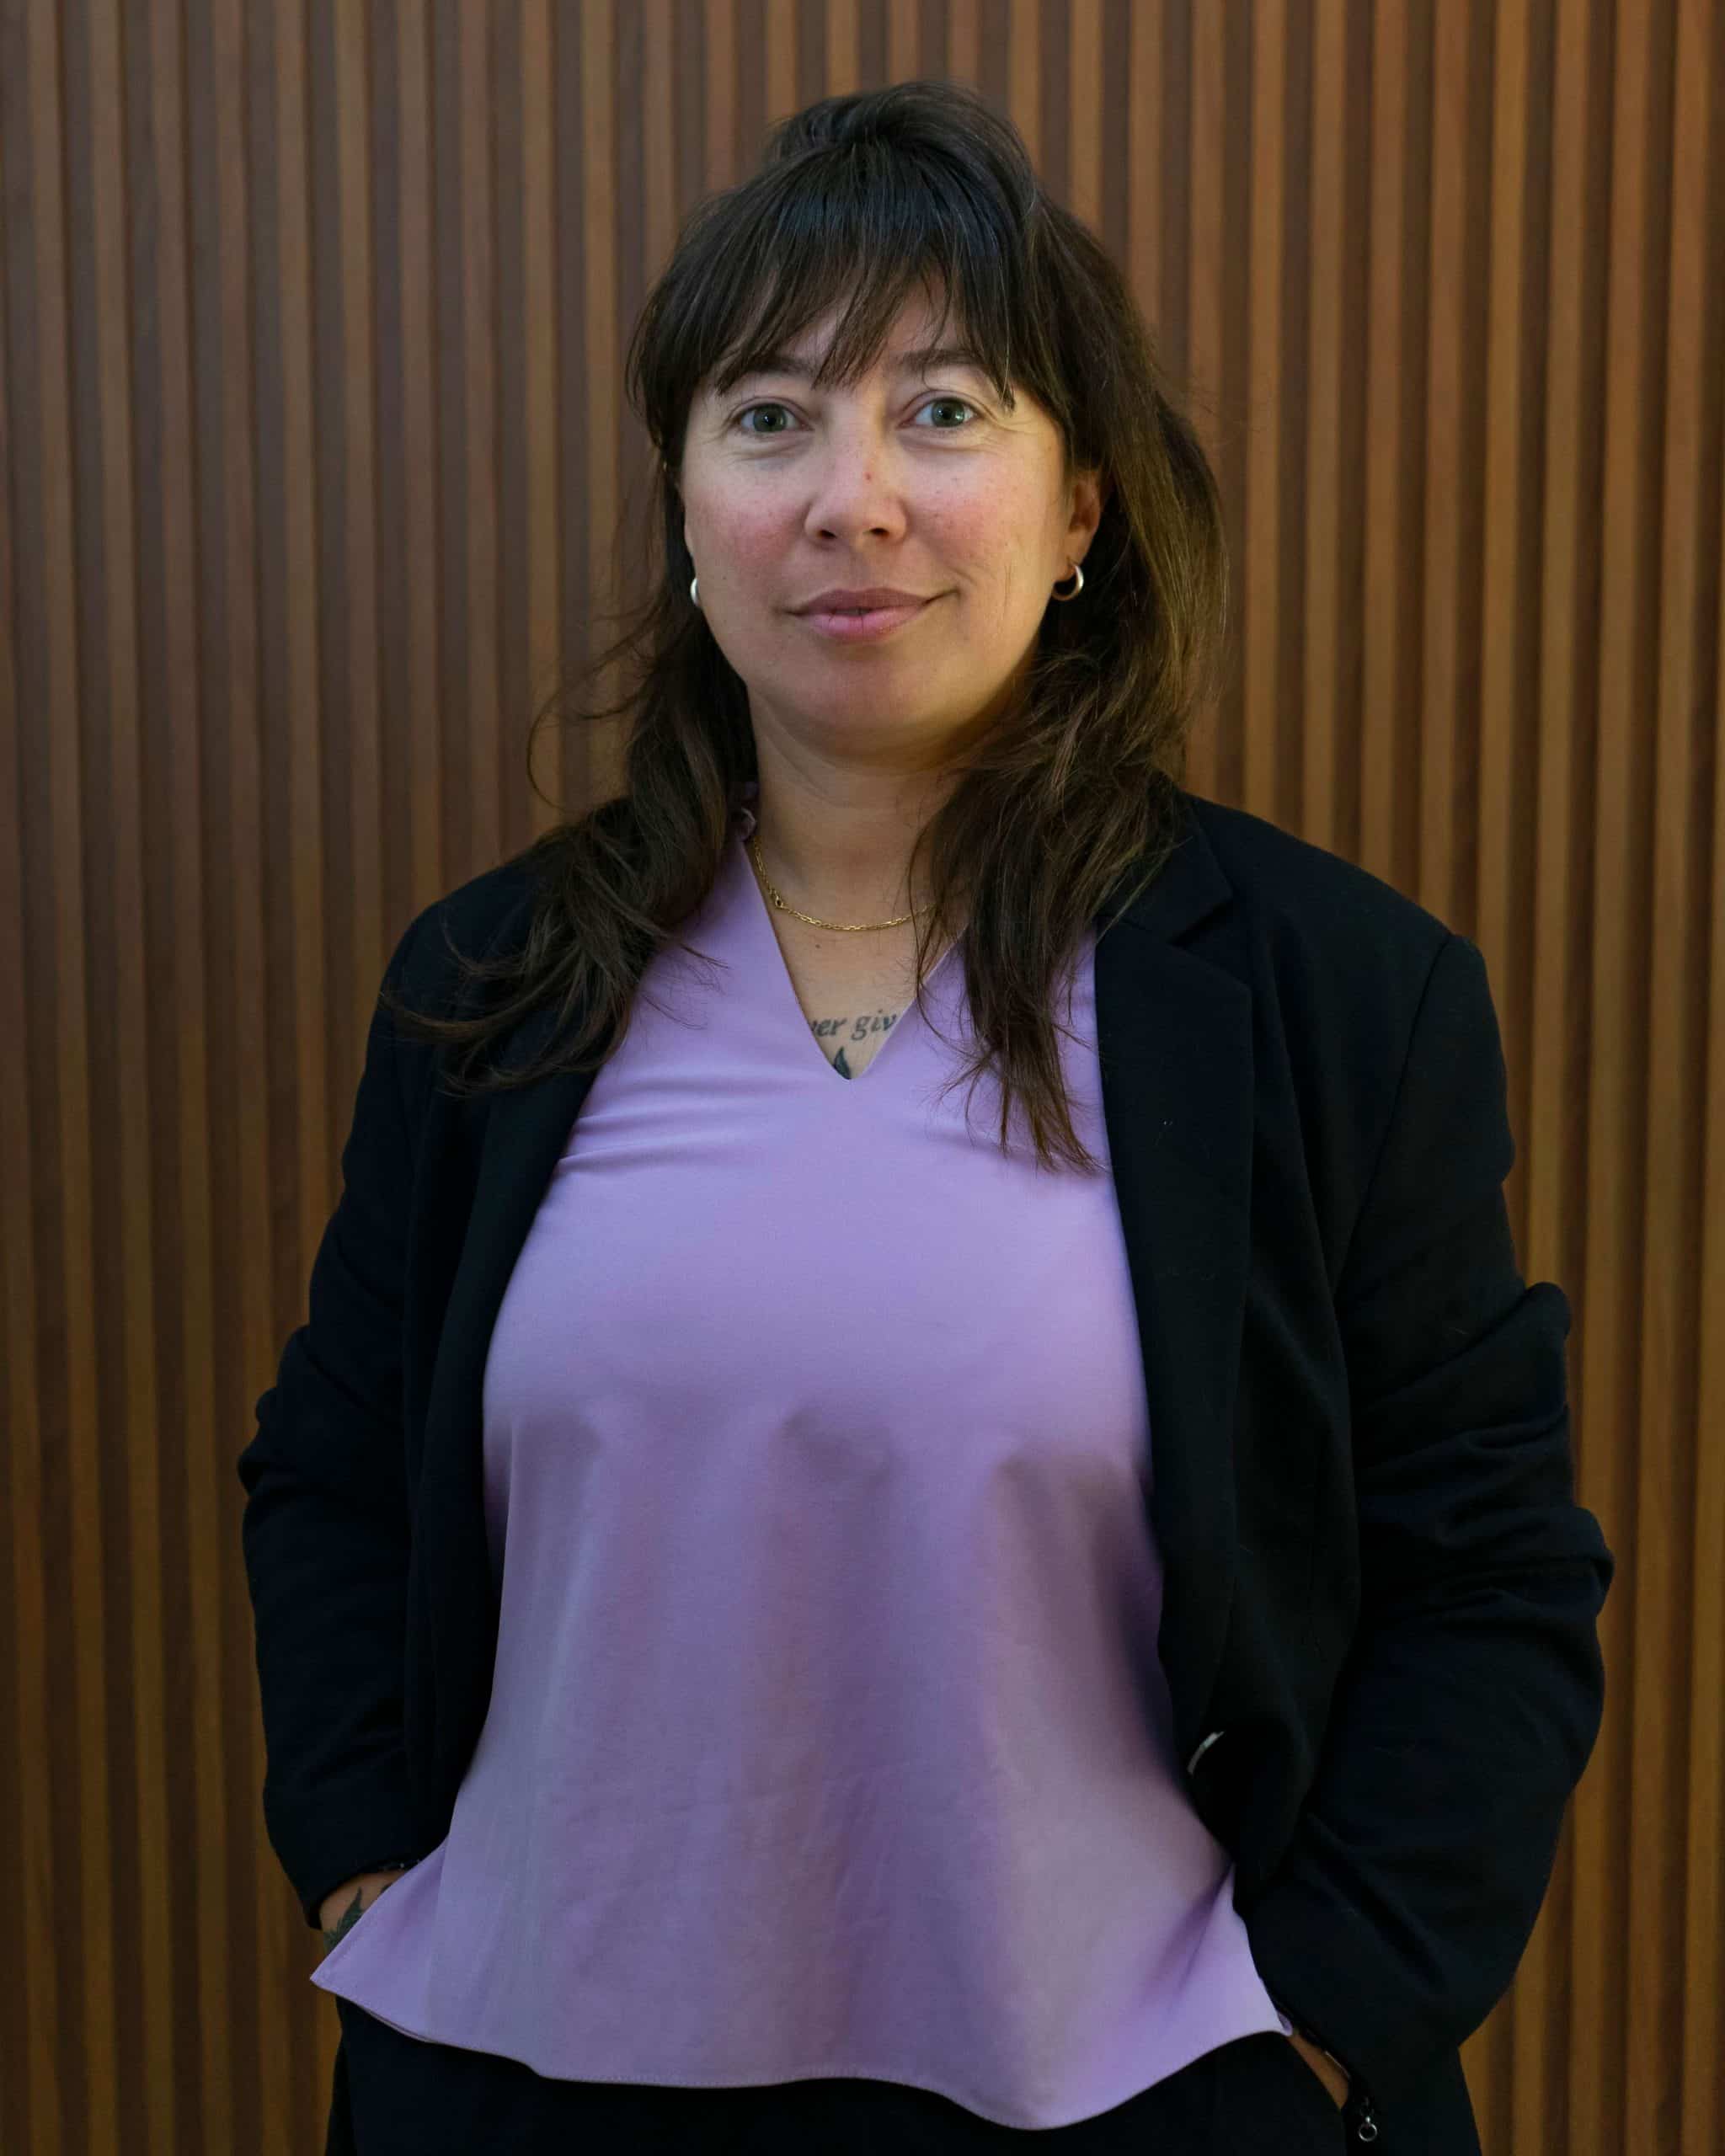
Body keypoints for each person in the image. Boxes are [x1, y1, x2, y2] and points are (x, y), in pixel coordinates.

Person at [237, 79, 1613, 2156]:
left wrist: (1316, 2026)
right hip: (530, 2073)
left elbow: (1485, 1565)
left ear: (1080, 514)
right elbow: (336, 1470)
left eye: (943, 411)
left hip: (1132, 2091)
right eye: (769, 416)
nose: (851, 498)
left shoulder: (1332, 994)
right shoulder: (494, 981)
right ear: (687, 510)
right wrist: (367, 1871)